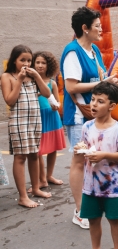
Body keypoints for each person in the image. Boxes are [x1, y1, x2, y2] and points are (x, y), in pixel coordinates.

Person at [61, 6, 118, 228]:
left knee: (92, 160)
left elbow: (101, 77)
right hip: (79, 115)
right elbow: (71, 86)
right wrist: (101, 83)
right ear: (84, 28)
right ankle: (79, 211)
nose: (101, 29)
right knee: (80, 161)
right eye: (97, 26)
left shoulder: (93, 51)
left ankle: (91, 204)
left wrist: (110, 83)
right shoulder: (72, 52)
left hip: (93, 115)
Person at [76, 82, 118, 249]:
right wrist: (79, 149)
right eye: (93, 100)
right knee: (93, 218)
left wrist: (104, 155)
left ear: (112, 106)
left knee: (114, 219)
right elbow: (84, 146)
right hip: (90, 183)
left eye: (100, 101)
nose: (94, 104)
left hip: (112, 185)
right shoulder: (87, 126)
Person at [1, 45, 51, 207]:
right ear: (14, 60)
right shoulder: (7, 77)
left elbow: (47, 93)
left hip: (34, 120)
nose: (26, 64)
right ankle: (23, 196)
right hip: (18, 121)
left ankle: (35, 188)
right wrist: (20, 80)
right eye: (22, 60)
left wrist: (37, 76)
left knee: (34, 155)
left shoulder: (32, 76)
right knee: (20, 157)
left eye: (29, 60)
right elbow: (10, 100)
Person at [32, 51, 66, 189]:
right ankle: (41, 179)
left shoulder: (52, 83)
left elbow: (58, 103)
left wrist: (55, 106)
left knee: (53, 148)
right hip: (37, 118)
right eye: (38, 62)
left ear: (49, 65)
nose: (40, 66)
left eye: (43, 63)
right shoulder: (30, 81)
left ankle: (49, 175)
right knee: (37, 150)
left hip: (52, 117)